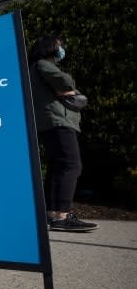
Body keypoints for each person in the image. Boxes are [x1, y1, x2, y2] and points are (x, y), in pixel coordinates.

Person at [29, 35, 98, 232]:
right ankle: (62, 215)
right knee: (71, 165)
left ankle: (52, 214)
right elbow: (65, 81)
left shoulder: (37, 68)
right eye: (59, 45)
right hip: (58, 121)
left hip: (50, 122)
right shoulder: (43, 64)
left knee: (58, 167)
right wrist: (72, 90)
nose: (62, 49)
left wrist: (68, 92)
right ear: (49, 47)